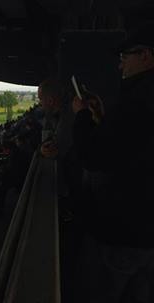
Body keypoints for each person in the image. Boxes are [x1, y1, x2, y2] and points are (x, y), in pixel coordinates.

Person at [73, 27, 154, 303]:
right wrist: (103, 118)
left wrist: (82, 116)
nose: (120, 63)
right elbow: (132, 146)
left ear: (145, 55)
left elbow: (94, 157)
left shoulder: (138, 98)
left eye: (125, 56)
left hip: (123, 231)